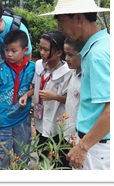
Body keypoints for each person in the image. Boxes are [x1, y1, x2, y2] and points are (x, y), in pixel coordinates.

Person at [42, 0, 110, 170]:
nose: (59, 28)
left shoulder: (97, 54)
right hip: (94, 142)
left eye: (61, 20)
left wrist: (83, 146)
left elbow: (111, 108)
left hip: (97, 148)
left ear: (79, 18)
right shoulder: (99, 46)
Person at [0, 29, 35, 169]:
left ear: (25, 50)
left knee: (23, 156)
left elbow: (36, 88)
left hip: (23, 121)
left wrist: (27, 94)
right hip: (3, 122)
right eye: (7, 50)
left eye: (14, 50)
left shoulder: (32, 68)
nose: (9, 54)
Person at [31, 30, 72, 168]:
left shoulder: (67, 72)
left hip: (57, 123)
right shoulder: (38, 66)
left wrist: (55, 97)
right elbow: (34, 86)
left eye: (45, 49)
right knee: (42, 152)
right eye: (40, 48)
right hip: (39, 119)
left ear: (59, 53)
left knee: (58, 157)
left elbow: (72, 100)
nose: (41, 52)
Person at [62, 38, 84, 144]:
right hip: (67, 133)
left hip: (78, 137)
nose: (66, 58)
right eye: (65, 54)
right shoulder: (73, 73)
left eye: (70, 55)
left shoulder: (85, 80)